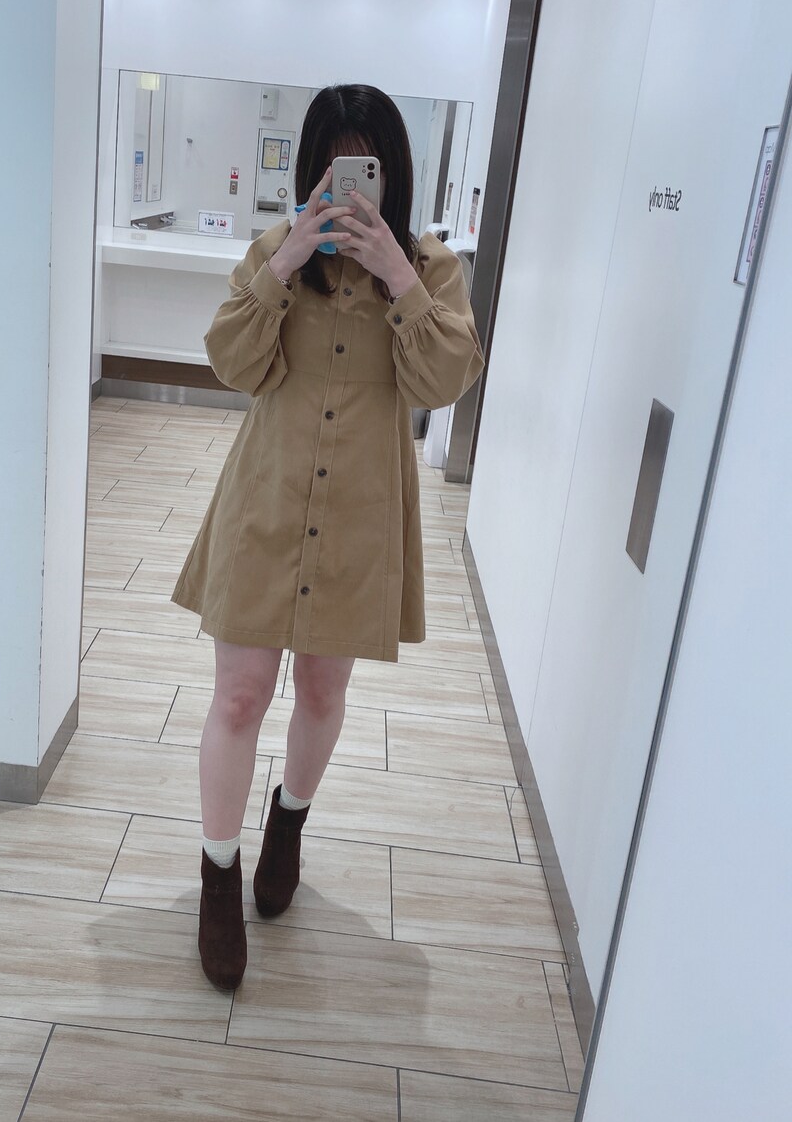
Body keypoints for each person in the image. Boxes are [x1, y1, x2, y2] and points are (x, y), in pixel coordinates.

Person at [171, 83, 484, 990]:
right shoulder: (277, 252)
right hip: (265, 504)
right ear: (311, 172)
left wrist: (398, 278)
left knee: (319, 690)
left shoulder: (431, 269)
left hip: (357, 517)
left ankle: (288, 822)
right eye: (334, 169)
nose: (349, 190)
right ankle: (218, 877)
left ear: (392, 177)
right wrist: (283, 263)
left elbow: (443, 383)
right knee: (239, 697)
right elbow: (232, 362)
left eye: (365, 170)